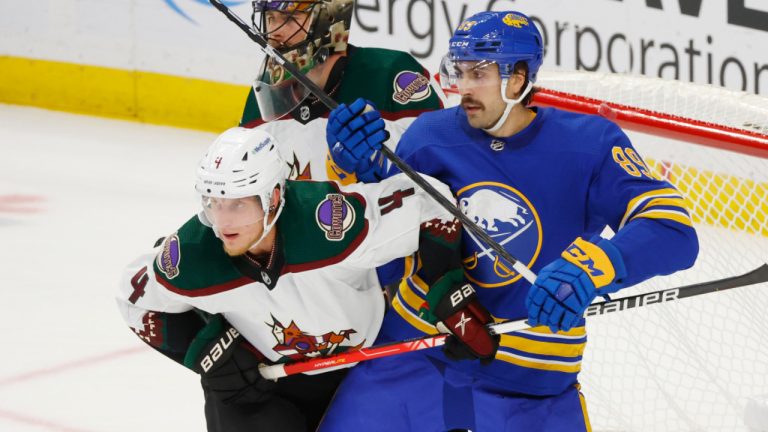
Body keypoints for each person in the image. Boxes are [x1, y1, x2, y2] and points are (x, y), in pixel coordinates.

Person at [321, 10, 699, 432]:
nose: (462, 88)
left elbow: (673, 229)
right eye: (459, 72)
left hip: (529, 385)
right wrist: (354, 175)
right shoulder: (429, 137)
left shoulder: (588, 145)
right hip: (413, 354)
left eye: (478, 73)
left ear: (519, 77)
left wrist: (594, 268)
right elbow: (384, 263)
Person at [115, 127, 481, 431]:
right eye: (213, 202)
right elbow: (133, 297)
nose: (223, 222)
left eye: (239, 204)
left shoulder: (329, 224)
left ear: (274, 197)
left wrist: (447, 287)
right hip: (259, 385)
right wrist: (206, 351)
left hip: (359, 371)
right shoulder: (194, 253)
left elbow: (428, 201)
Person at [240, 0, 443, 185]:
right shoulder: (264, 96)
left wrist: (377, 170)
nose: (274, 31)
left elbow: (446, 173)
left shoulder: (393, 78)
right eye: (270, 18)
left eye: (290, 18)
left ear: (331, 17)